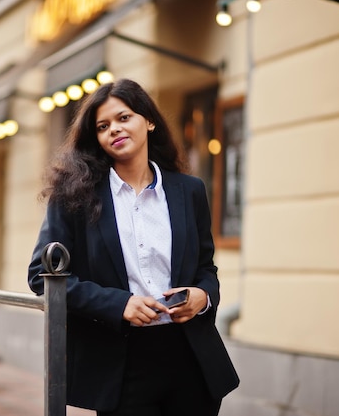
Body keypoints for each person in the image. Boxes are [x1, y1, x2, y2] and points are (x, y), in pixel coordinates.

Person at [28, 78, 239, 416]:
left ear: (149, 121)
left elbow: (206, 268)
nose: (114, 129)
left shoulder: (190, 191)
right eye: (103, 126)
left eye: (124, 118)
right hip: (119, 363)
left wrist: (203, 297)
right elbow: (43, 276)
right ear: (96, 138)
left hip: (191, 360)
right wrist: (118, 304)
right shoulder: (75, 197)